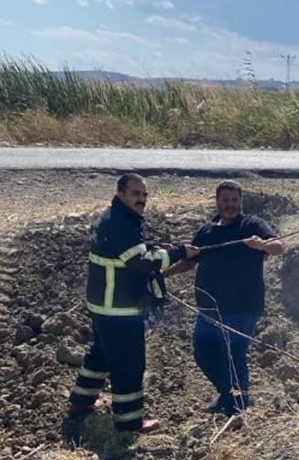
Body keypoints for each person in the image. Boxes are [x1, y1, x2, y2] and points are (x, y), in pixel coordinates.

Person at [64, 173, 198, 445]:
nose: (141, 200)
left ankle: (80, 402)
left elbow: (131, 252)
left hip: (103, 305)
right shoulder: (119, 224)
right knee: (129, 365)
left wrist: (153, 248)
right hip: (119, 308)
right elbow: (141, 262)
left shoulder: (116, 218)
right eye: (136, 194)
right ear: (121, 194)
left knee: (100, 355)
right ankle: (129, 422)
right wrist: (179, 253)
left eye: (144, 195)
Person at [164, 180, 284, 415]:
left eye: (234, 200)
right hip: (209, 307)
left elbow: (278, 247)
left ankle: (239, 406)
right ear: (217, 202)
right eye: (225, 200)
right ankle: (227, 393)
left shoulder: (252, 225)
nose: (230, 205)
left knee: (234, 354)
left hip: (243, 307)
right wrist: (161, 274)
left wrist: (261, 245)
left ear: (241, 202)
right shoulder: (206, 231)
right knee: (203, 352)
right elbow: (188, 261)